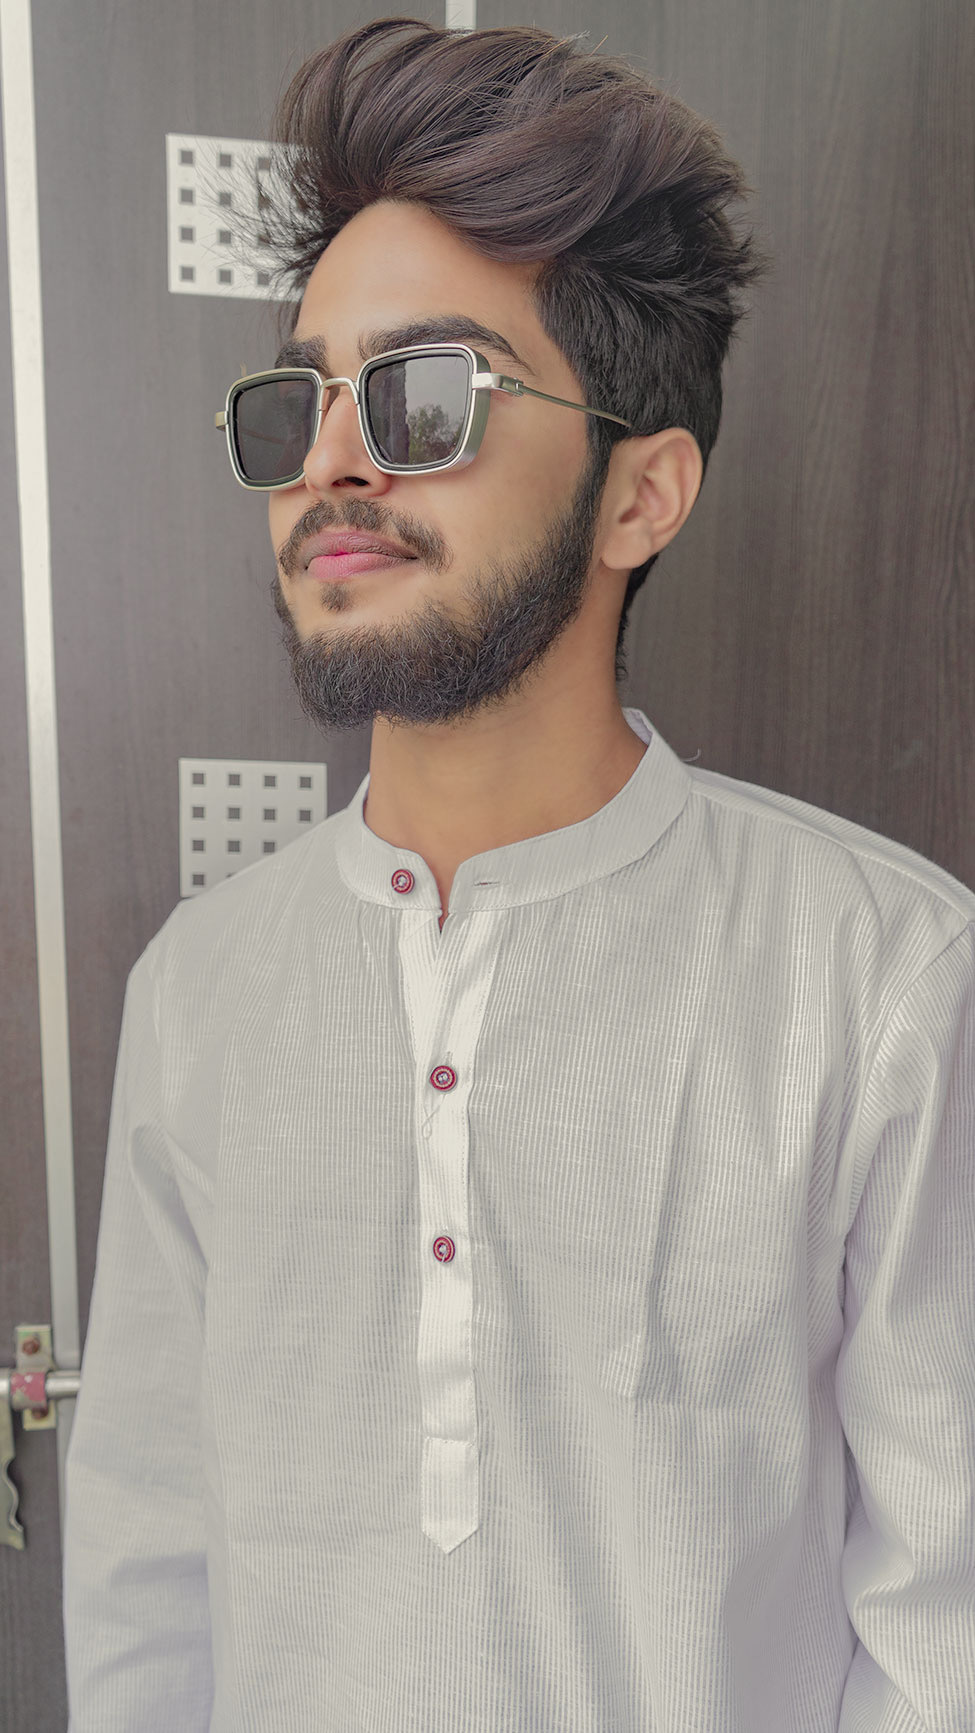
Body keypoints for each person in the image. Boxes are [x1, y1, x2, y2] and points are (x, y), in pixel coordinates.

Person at [63, 16, 974, 1732]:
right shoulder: (203, 987)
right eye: (303, 399)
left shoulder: (887, 984)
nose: (333, 463)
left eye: (427, 396)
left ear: (643, 494)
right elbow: (146, 1570)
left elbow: (948, 1625)